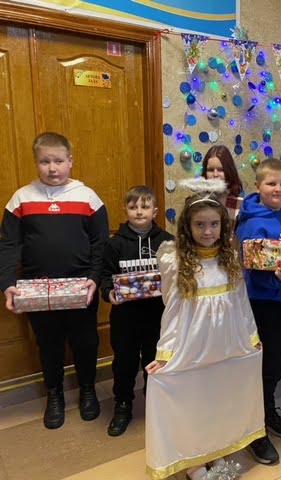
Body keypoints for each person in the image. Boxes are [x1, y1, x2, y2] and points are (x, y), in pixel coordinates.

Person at [145, 194, 267, 479]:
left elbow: (241, 302)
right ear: (187, 227)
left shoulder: (229, 259)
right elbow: (172, 311)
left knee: (219, 399)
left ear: (223, 226)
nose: (208, 231)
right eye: (200, 224)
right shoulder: (176, 261)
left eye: (214, 224)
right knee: (192, 401)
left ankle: (214, 449)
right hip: (192, 347)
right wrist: (165, 354)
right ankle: (194, 461)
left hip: (226, 345)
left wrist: (252, 337)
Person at [0, 132, 109, 430]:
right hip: (37, 291)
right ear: (36, 162)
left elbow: (100, 243)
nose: (52, 168)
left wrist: (94, 278)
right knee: (49, 344)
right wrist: (7, 282)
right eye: (45, 161)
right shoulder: (21, 198)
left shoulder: (87, 197)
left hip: (81, 289)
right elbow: (9, 244)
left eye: (58, 161)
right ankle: (55, 394)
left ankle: (87, 389)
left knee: (86, 342)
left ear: (70, 161)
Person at [236, 158, 281, 457]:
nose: (278, 189)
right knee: (263, 369)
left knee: (275, 367)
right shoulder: (252, 223)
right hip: (265, 306)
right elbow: (251, 271)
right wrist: (279, 279)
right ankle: (255, 431)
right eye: (271, 183)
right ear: (257, 186)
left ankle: (267, 413)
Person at [99, 186, 173, 436]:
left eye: (144, 206)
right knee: (124, 363)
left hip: (158, 317)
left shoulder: (167, 242)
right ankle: (123, 404)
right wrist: (108, 292)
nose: (139, 211)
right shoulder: (115, 244)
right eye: (133, 207)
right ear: (125, 210)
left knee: (155, 361)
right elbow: (105, 275)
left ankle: (156, 403)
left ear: (155, 211)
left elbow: (176, 274)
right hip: (125, 318)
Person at [202, 145, 244, 229]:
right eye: (210, 170)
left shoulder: (241, 205)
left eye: (221, 170)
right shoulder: (199, 201)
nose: (215, 174)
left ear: (229, 171)